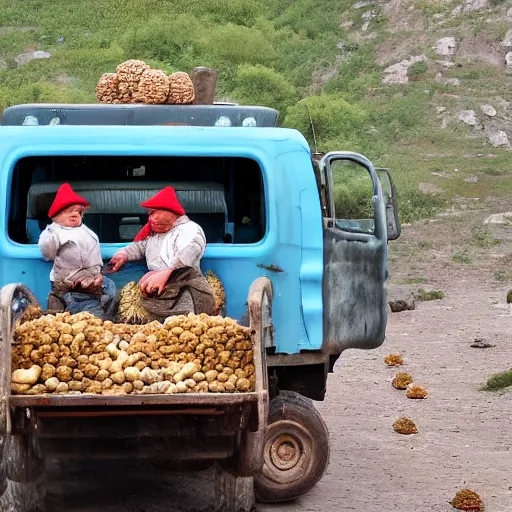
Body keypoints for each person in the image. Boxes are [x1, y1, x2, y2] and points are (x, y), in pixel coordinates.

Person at [108, 186, 214, 319]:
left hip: (184, 286)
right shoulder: (154, 235)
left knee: (182, 321)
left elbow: (190, 252)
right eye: (150, 214)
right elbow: (140, 247)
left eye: (154, 212)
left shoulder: (189, 229)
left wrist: (167, 273)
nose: (151, 218)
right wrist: (123, 254)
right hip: (156, 289)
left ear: (171, 212)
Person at [38, 183, 116, 319]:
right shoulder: (56, 231)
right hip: (72, 286)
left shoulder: (84, 230)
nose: (74, 214)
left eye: (78, 211)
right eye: (68, 211)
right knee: (90, 317)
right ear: (56, 215)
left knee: (112, 290)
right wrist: (50, 232)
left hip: (94, 280)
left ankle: (108, 315)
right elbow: (47, 253)